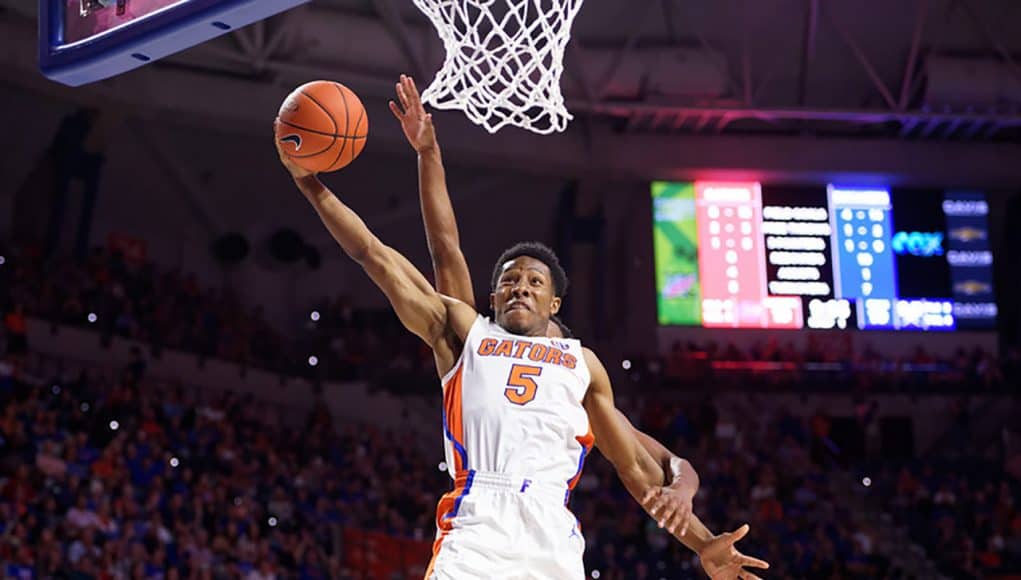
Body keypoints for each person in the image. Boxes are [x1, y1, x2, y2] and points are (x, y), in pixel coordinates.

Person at [275, 77, 765, 580]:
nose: (520, 287)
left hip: (551, 536)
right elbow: (384, 254)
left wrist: (703, 542)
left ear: (554, 302)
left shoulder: (581, 364)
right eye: (509, 281)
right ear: (493, 299)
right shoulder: (468, 335)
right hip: (477, 526)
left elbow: (640, 469)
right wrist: (320, 179)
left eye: (534, 281)